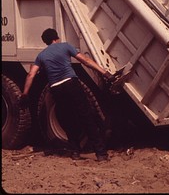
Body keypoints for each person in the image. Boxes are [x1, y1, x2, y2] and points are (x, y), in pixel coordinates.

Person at [22, 28, 113, 162]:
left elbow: (31, 75)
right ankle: (101, 154)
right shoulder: (65, 46)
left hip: (56, 89)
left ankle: (75, 152)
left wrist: (25, 94)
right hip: (71, 84)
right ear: (56, 38)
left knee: (67, 120)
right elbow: (86, 61)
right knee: (86, 117)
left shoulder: (41, 56)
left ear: (45, 42)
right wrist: (105, 73)